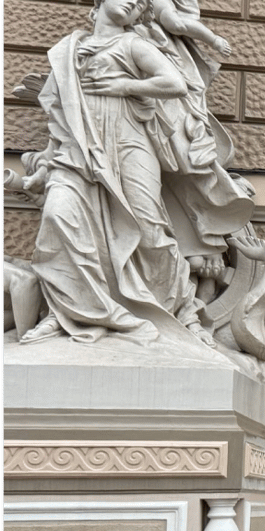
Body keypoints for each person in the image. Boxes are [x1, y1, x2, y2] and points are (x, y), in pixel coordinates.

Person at [17, 0, 250, 346]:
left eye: (141, 3)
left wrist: (125, 87)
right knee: (58, 218)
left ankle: (182, 311)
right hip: (77, 154)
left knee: (149, 229)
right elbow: (60, 119)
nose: (132, 2)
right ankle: (66, 314)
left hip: (130, 144)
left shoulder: (133, 44)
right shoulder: (68, 51)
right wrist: (46, 166)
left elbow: (174, 83)